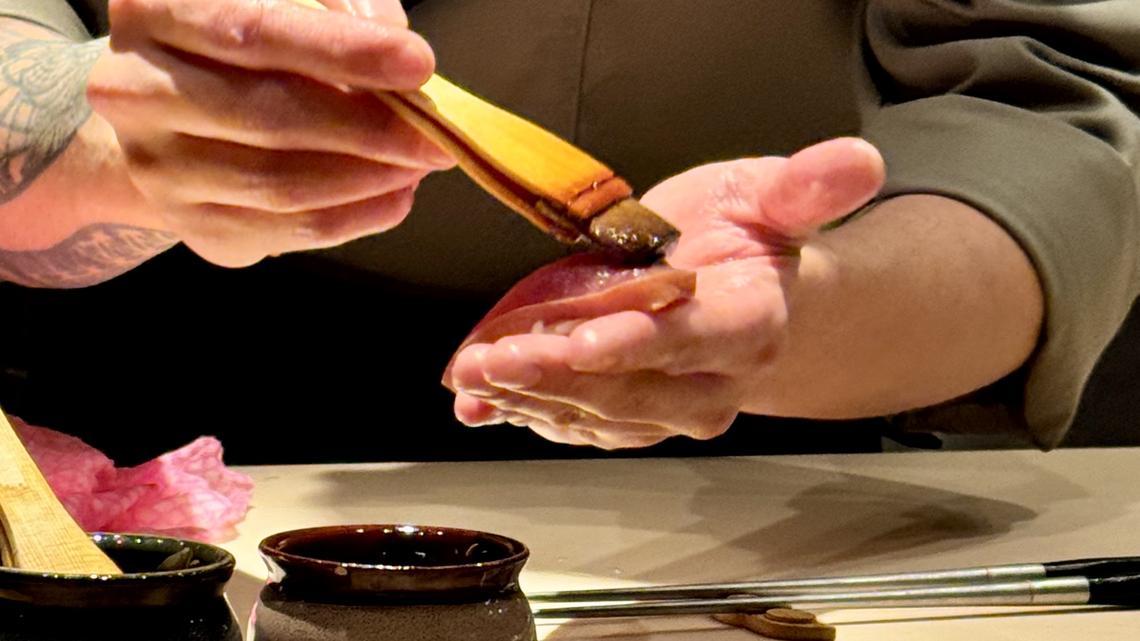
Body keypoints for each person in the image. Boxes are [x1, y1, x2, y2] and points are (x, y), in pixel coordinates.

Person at [0, 0, 1136, 463]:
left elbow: (1053, 117)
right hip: (128, 421)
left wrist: (790, 311)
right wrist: (110, 148)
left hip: (778, 439)